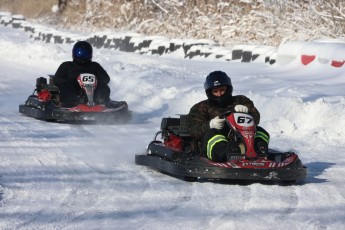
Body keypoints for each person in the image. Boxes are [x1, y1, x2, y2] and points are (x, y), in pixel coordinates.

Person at [186, 70, 270, 163]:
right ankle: (228, 154)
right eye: (215, 91)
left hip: (241, 139)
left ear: (228, 89)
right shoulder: (201, 107)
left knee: (260, 131)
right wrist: (210, 125)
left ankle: (260, 153)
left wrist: (247, 113)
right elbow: (193, 130)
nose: (220, 94)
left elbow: (256, 118)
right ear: (210, 92)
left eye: (222, 90)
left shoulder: (241, 100)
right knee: (212, 134)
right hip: (212, 148)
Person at [53, 40, 111, 107]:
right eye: (79, 53)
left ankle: (99, 100)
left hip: (93, 93)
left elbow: (106, 78)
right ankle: (77, 100)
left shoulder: (95, 66)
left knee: (104, 86)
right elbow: (57, 79)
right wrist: (72, 81)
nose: (82, 56)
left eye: (85, 54)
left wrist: (95, 82)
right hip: (73, 92)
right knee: (65, 85)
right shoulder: (66, 65)